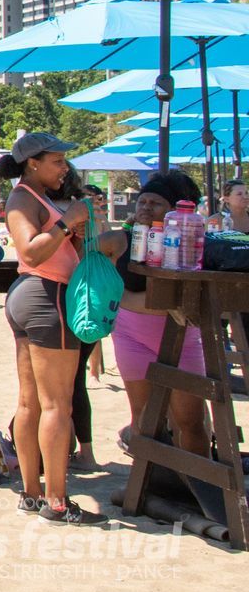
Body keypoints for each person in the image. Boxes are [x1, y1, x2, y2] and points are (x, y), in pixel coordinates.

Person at [0, 133, 104, 524]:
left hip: (32, 296)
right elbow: (29, 250)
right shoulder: (23, 198)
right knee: (58, 404)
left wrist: (72, 231)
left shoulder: (33, 197)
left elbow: (49, 246)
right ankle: (56, 501)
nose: (64, 168)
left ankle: (31, 494)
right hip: (47, 296)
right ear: (33, 163)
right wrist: (67, 223)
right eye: (57, 161)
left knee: (31, 403)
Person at [104, 171, 210, 459]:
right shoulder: (122, 239)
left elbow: (183, 299)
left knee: (190, 421)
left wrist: (129, 299)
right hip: (132, 337)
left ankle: (197, 480)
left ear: (174, 210)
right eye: (143, 201)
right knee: (145, 418)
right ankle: (149, 479)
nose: (146, 207)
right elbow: (84, 257)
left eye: (156, 203)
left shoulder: (188, 241)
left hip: (181, 338)